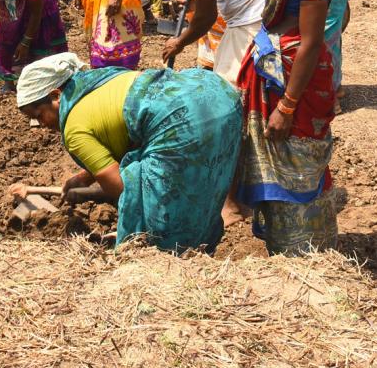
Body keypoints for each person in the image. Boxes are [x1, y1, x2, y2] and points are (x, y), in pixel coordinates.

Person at [16, 53, 241, 254]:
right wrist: (83, 178)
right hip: (216, 95)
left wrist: (128, 231)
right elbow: (117, 130)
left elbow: (121, 189)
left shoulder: (74, 131)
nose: (39, 124)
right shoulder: (101, 82)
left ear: (56, 96)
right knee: (203, 183)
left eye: (38, 114)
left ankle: (177, 258)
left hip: (183, 121)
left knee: (161, 226)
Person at [236, 0, 340, 255]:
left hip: (296, 80)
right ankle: (286, 245)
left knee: (295, 158)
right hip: (284, 70)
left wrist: (287, 104)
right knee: (281, 161)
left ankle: (305, 249)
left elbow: (311, 42)